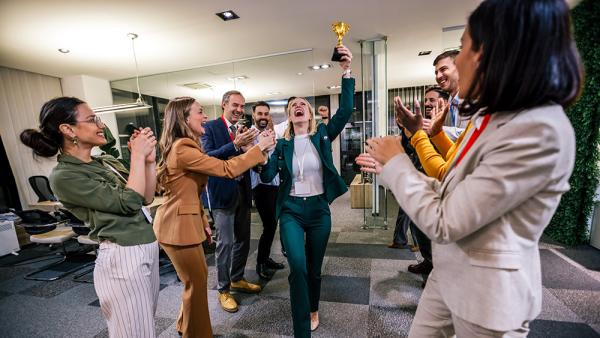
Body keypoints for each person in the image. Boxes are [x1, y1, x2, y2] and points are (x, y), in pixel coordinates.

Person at [358, 0, 582, 335]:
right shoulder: (490, 116)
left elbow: (447, 221)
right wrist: (393, 166)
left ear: (493, 51)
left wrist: (397, 162)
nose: (458, 60)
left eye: (463, 47)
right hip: (448, 273)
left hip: (488, 296)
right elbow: (450, 183)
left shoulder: (539, 130)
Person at [20, 97, 160, 337]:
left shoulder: (103, 161)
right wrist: (136, 156)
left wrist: (148, 161)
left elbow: (146, 197)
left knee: (145, 325)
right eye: (92, 119)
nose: (100, 125)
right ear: (68, 129)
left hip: (145, 244)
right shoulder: (64, 175)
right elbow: (129, 202)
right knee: (134, 333)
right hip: (122, 256)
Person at [153, 97, 275, 337]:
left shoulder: (184, 145)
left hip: (182, 222)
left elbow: (188, 191)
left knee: (193, 283)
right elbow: (226, 169)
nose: (204, 117)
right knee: (196, 283)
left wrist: (201, 220)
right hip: (176, 227)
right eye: (200, 112)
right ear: (185, 118)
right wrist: (259, 149)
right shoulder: (183, 148)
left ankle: (183, 326)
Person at [260, 45, 354, 337]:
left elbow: (347, 109)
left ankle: (313, 306)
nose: (297, 106)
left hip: (318, 210)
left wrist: (346, 71)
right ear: (289, 116)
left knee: (314, 268)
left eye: (302, 104)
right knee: (297, 268)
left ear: (309, 112)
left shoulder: (323, 134)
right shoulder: (282, 144)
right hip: (290, 210)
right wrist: (263, 153)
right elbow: (267, 176)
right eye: (292, 106)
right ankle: (302, 329)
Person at [201, 90, 262, 313]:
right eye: (235, 105)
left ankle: (237, 278)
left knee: (244, 240)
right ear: (223, 104)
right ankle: (223, 290)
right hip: (222, 195)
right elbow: (208, 157)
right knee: (225, 244)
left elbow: (246, 159)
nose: (239, 110)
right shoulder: (210, 128)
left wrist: (256, 150)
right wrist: (236, 145)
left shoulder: (242, 129)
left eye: (242, 106)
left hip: (243, 193)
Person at [249, 101, 285, 279]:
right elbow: (251, 162)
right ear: (253, 115)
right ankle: (260, 264)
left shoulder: (271, 133)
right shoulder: (249, 135)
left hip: (276, 184)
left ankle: (266, 258)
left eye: (266, 114)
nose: (263, 117)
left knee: (273, 225)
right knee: (269, 225)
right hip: (261, 186)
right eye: (260, 114)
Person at [433, 50, 468, 141]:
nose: (438, 76)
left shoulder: (476, 98)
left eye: (443, 69)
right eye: (436, 73)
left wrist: (436, 129)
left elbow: (473, 135)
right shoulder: (448, 104)